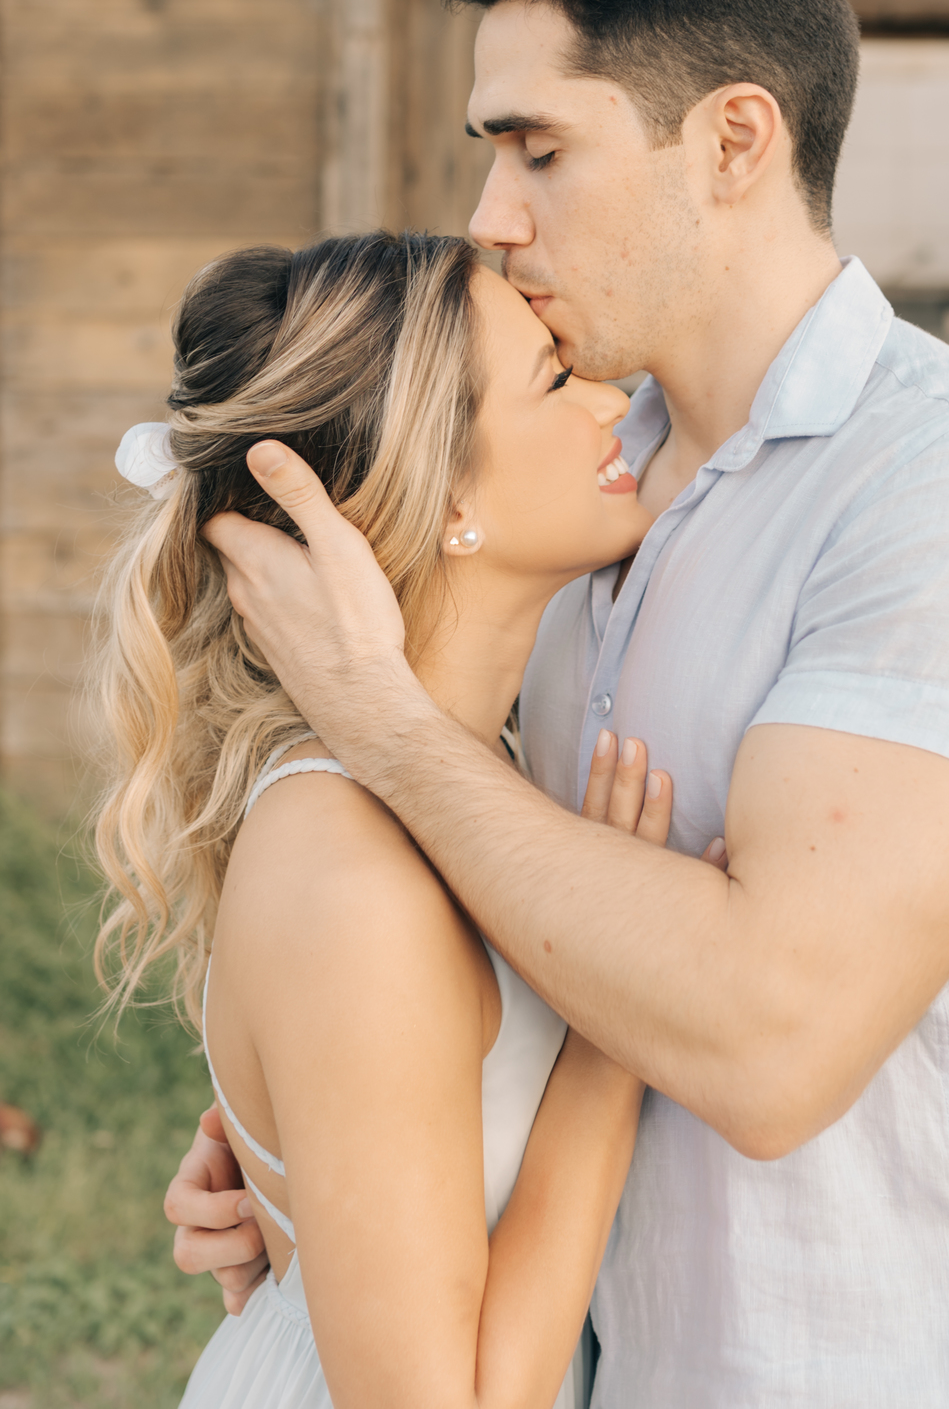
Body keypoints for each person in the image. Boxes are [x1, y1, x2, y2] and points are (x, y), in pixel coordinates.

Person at [168, 0, 949, 1408]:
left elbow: (771, 1042)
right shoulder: (583, 491)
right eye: (490, 153)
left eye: (541, 150)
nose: (494, 220)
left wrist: (385, 725)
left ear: (735, 142)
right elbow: (486, 940)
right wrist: (328, 1145)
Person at [93, 229, 719, 1408]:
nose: (615, 398)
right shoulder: (352, 877)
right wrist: (622, 1017)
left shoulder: (483, 775)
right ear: (445, 499)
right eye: (553, 376)